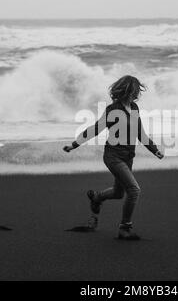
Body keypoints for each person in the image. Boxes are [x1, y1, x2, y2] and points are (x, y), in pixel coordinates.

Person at [63, 75, 164, 240]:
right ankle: (125, 228)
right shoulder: (112, 110)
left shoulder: (135, 108)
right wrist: (75, 144)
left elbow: (140, 133)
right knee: (134, 190)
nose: (137, 93)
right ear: (127, 90)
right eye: (135, 90)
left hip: (128, 156)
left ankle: (97, 197)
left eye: (137, 90)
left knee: (118, 193)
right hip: (113, 156)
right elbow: (96, 129)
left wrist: (154, 149)